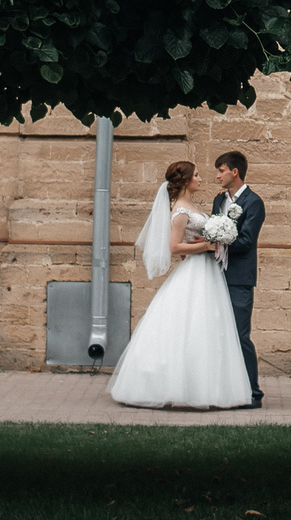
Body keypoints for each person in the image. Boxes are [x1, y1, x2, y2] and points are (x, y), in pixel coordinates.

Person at [105, 160, 253, 410]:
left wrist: (212, 240)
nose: (201, 179)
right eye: (196, 175)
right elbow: (174, 247)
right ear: (185, 181)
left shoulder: (191, 206)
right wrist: (207, 245)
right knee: (190, 326)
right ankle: (174, 387)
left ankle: (205, 387)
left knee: (207, 328)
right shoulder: (181, 210)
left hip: (207, 271)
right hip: (195, 271)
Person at [210, 152, 265, 408]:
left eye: (221, 170)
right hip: (215, 275)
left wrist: (217, 241)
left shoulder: (254, 203)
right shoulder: (218, 200)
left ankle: (253, 394)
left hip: (239, 278)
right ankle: (226, 390)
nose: (217, 176)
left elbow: (246, 241)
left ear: (235, 172)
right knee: (218, 336)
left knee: (240, 336)